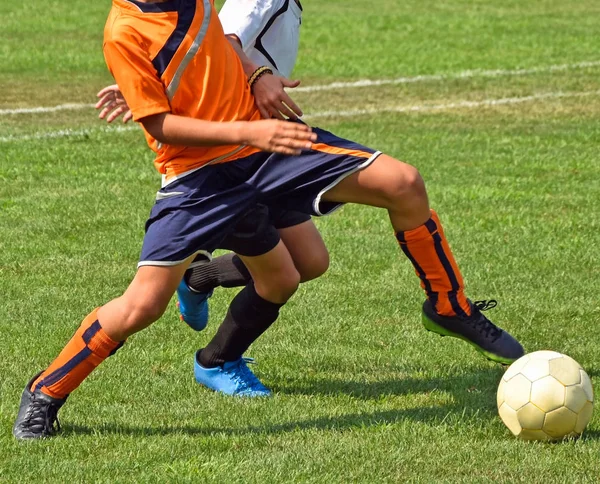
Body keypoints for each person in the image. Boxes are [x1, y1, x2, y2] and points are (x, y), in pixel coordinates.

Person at [13, 0, 524, 440]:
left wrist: (256, 76)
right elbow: (160, 126)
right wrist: (240, 128)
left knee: (402, 185)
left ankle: (448, 304)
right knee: (143, 305)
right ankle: (45, 391)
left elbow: (223, 42)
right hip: (199, 176)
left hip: (262, 148)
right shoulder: (123, 29)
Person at [95, 0, 329, 336]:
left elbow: (203, 42)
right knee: (281, 277)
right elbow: (228, 37)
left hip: (263, 148)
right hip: (223, 162)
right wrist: (258, 76)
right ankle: (218, 361)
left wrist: (153, 83)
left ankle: (198, 278)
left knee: (310, 261)